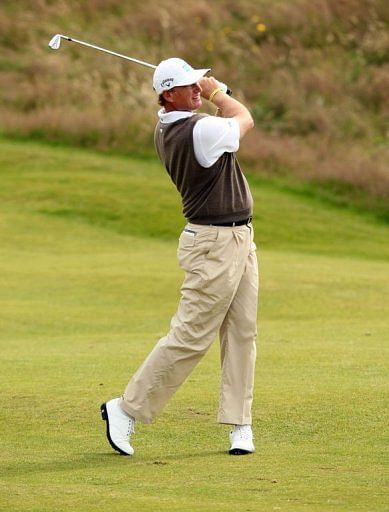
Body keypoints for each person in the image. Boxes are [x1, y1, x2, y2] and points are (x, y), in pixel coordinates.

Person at [101, 58, 258, 456]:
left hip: (239, 238)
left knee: (241, 332)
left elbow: (229, 120)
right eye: (188, 87)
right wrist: (218, 92)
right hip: (214, 245)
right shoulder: (197, 129)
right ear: (168, 95)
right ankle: (126, 408)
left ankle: (240, 424)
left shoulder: (176, 124)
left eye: (196, 84)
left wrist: (212, 94)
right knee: (190, 336)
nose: (196, 90)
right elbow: (244, 119)